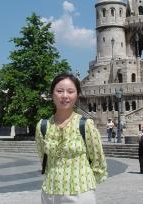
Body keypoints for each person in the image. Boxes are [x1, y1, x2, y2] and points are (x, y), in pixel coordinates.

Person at [35, 73, 108, 204]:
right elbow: (43, 158)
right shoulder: (43, 126)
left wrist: (88, 183)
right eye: (59, 91)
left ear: (77, 95)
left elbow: (98, 160)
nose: (64, 96)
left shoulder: (86, 125)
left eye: (70, 91)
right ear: (52, 94)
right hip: (50, 192)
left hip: (80, 192)